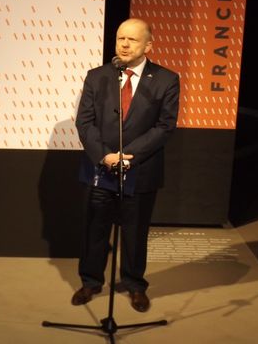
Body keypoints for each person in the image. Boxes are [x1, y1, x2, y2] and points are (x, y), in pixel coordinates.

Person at [72, 18, 180, 312]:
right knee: (94, 229)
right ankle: (91, 281)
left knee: (135, 232)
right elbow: (84, 122)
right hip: (100, 166)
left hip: (140, 168)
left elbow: (165, 126)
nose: (124, 44)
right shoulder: (97, 76)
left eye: (132, 39)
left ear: (148, 45)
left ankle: (134, 284)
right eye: (121, 38)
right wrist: (104, 155)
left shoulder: (166, 79)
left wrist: (128, 155)